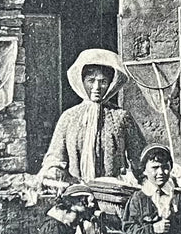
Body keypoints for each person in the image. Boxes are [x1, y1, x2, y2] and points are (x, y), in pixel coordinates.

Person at [42, 48, 145, 183]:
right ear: (82, 81)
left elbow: (140, 157)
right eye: (91, 81)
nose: (96, 87)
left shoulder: (121, 117)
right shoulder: (69, 117)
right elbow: (55, 157)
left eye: (102, 82)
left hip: (112, 191)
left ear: (110, 84)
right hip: (77, 190)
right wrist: (53, 170)